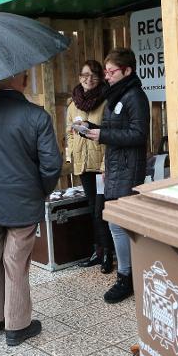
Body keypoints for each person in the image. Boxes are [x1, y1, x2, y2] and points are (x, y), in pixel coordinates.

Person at [0, 70, 62, 346]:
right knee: (16, 263)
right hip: (22, 202)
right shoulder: (37, 116)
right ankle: (16, 327)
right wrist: (39, 190)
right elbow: (51, 165)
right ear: (25, 80)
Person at [86, 48, 150, 303]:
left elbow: (138, 135)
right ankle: (129, 273)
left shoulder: (135, 96)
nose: (107, 76)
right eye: (106, 71)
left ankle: (126, 277)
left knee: (118, 223)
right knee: (116, 222)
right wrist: (92, 130)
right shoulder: (116, 96)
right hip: (115, 167)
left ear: (127, 71)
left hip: (128, 168)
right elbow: (116, 131)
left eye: (112, 72)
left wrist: (103, 135)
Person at [66, 60, 114, 274]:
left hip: (100, 166)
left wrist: (106, 165)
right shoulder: (72, 104)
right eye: (85, 75)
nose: (89, 78)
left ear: (101, 78)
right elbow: (69, 132)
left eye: (94, 75)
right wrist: (71, 155)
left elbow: (111, 134)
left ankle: (107, 254)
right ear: (79, 77)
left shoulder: (107, 101)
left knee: (100, 210)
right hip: (84, 166)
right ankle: (99, 251)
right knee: (92, 208)